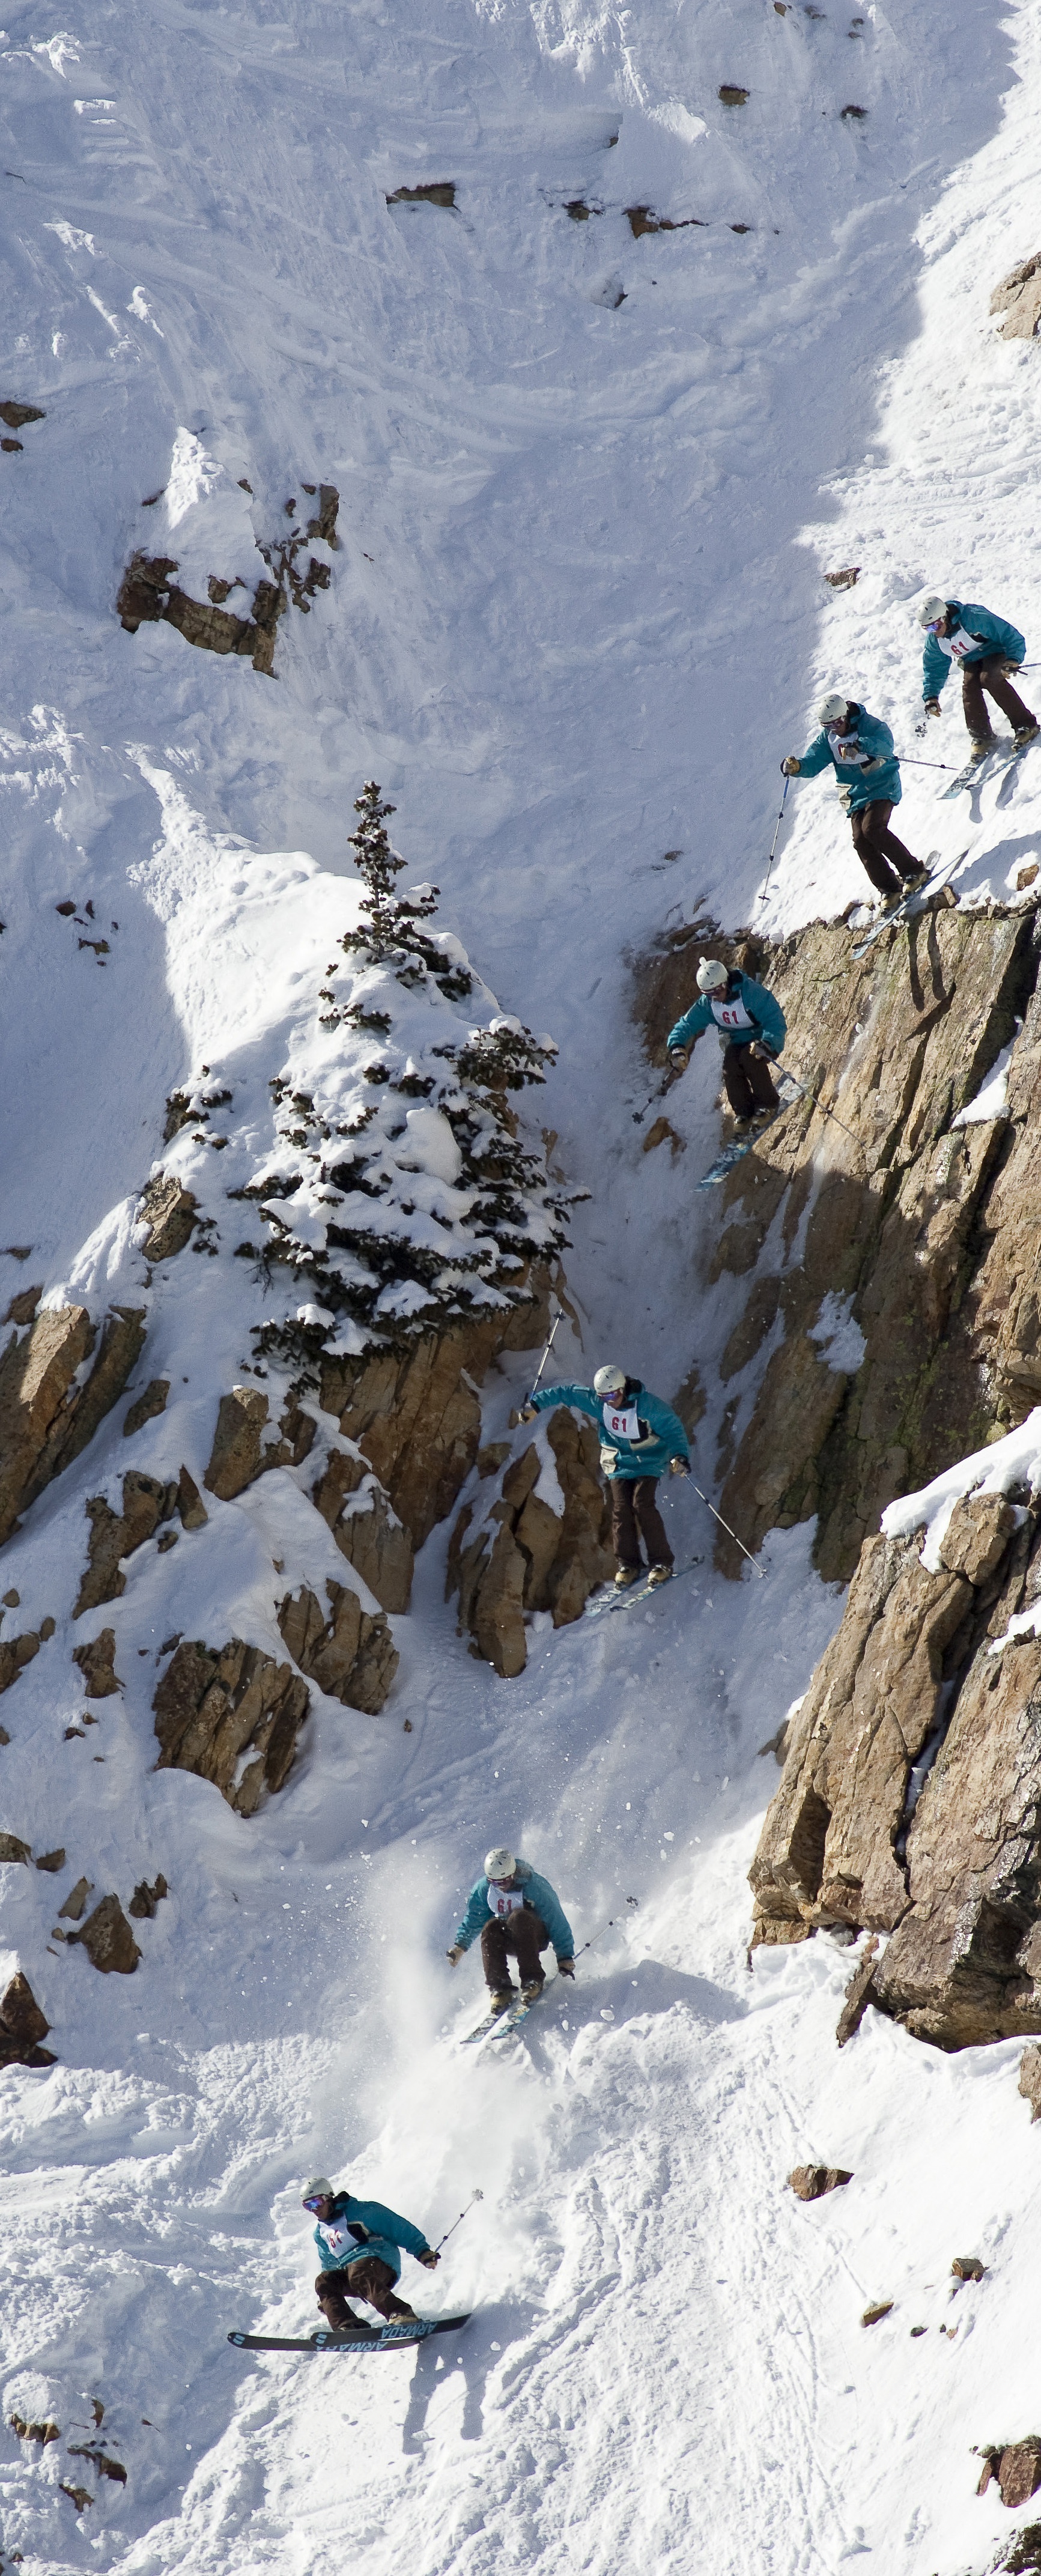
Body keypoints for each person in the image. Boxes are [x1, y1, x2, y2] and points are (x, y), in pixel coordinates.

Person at [520, 1365, 690, 1588]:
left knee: (642, 1504)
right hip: (618, 1462)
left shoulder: (647, 1407)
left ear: (622, 1390)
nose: (609, 1401)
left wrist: (680, 1456)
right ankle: (628, 1564)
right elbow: (567, 1393)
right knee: (620, 1509)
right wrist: (535, 1405)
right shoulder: (598, 1403)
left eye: (612, 1395)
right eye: (603, 1397)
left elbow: (673, 1428)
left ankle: (661, 1563)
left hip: (649, 1461)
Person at [782, 692, 928, 907]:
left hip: (882, 785)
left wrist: (862, 745)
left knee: (873, 828)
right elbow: (814, 761)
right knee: (860, 840)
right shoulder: (829, 739)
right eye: (828, 726)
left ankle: (914, 871)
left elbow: (885, 744)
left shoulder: (868, 725)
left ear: (846, 715)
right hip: (856, 795)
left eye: (838, 723)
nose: (835, 729)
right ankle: (889, 889)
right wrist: (799, 767)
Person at [300, 2176, 441, 2332]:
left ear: (328, 2197)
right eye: (308, 2206)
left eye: (316, 2203)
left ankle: (401, 2313)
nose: (314, 2209)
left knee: (358, 2271)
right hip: (354, 2275)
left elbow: (397, 2227)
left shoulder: (361, 2211)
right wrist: (326, 2296)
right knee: (323, 2281)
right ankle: (348, 2327)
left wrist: (422, 2250)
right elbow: (329, 2263)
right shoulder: (321, 2233)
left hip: (380, 2262)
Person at [447, 1846, 575, 2014]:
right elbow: (474, 1918)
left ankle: (532, 1980)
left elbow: (555, 1918)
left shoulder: (533, 1886)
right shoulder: (484, 1890)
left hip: (536, 1935)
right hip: (512, 1939)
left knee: (519, 1917)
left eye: (506, 1881)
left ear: (513, 1874)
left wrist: (564, 1956)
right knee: (491, 1926)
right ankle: (499, 1988)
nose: (501, 1886)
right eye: (495, 1883)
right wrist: (460, 1946)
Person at [666, 957, 786, 1135]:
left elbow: (775, 1020)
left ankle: (768, 1103)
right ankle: (743, 1111)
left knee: (750, 1059)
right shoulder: (710, 1004)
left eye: (717, 991)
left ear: (725, 983)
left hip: (761, 1038)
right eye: (708, 994)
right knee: (730, 1066)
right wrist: (677, 1046)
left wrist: (768, 1042)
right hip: (738, 1039)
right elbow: (687, 1024)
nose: (715, 997)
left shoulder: (750, 993)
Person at [917, 594, 1038, 758]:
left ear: (944, 617)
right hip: (972, 659)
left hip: (996, 651)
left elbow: (1009, 634)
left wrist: (1013, 659)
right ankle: (981, 735)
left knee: (989, 678)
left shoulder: (973, 618)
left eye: (936, 626)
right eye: (928, 629)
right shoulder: (935, 641)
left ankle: (1026, 725)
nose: (934, 632)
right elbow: (934, 668)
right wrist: (931, 696)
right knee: (969, 687)